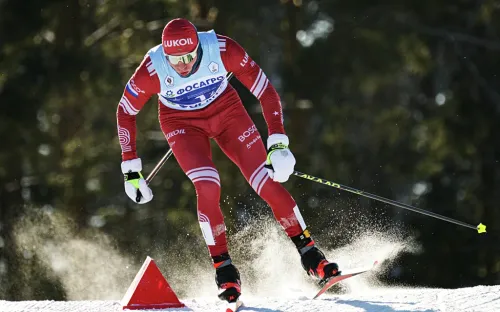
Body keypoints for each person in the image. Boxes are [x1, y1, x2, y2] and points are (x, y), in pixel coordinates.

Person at [116, 18, 339, 303]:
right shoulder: (151, 69)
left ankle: (311, 255)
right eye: (175, 59)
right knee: (208, 185)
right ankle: (224, 270)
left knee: (266, 180)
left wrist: (279, 143)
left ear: (199, 48)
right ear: (165, 54)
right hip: (181, 123)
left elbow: (265, 91)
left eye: (189, 57)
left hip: (227, 113)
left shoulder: (221, 49)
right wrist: (131, 169)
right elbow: (125, 111)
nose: (183, 65)